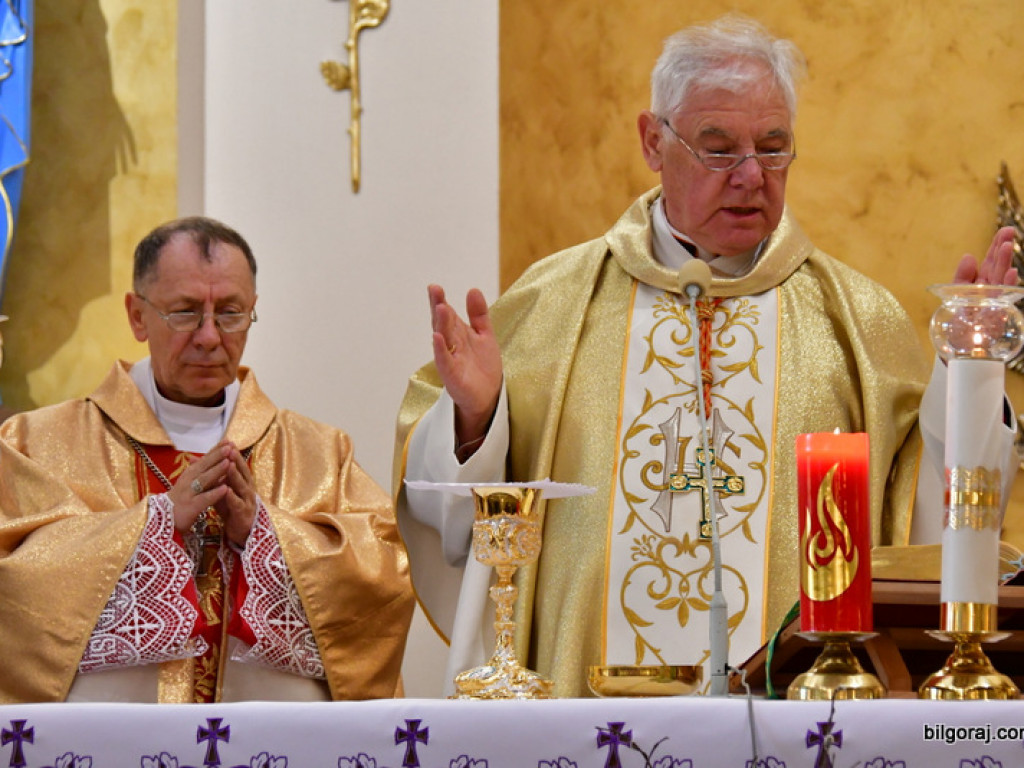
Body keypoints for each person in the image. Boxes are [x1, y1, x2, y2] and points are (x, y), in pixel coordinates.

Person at [394, 14, 1020, 698]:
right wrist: (478, 420)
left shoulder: (857, 321)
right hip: (586, 705)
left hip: (791, 712)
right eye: (719, 149)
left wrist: (972, 369)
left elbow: (925, 518)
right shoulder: (554, 305)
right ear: (653, 141)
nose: (752, 176)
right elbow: (455, 522)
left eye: (774, 148)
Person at [0, 216, 415, 703]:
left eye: (231, 313)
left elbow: (384, 576)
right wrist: (155, 525)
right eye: (185, 311)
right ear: (137, 316)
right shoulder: (36, 441)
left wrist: (264, 533)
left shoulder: (319, 452)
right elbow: (16, 587)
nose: (209, 336)